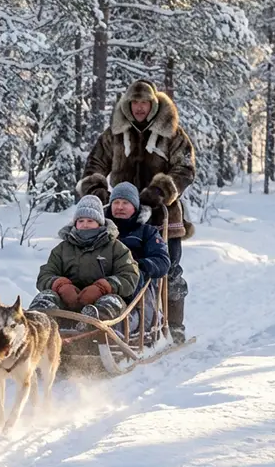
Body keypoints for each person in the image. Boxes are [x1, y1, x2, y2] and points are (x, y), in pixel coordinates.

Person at [75, 78, 196, 342]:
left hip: (162, 214)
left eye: (144, 103)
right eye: (135, 103)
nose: (139, 108)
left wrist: (158, 193)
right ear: (128, 104)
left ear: (153, 104)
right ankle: (120, 321)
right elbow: (94, 164)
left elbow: (185, 168)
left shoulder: (172, 133)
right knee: (114, 268)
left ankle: (174, 325)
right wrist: (99, 193)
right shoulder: (115, 134)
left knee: (169, 270)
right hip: (120, 215)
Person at [28, 195, 140, 329]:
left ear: (99, 223)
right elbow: (45, 274)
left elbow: (129, 276)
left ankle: (87, 334)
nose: (85, 225)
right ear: (75, 223)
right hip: (67, 302)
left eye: (90, 220)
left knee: (110, 303)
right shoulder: (62, 249)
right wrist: (60, 285)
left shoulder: (116, 248)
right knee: (44, 298)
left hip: (102, 300)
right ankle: (38, 332)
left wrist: (102, 288)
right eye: (81, 220)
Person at [105, 182, 171, 334]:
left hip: (137, 292)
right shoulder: (99, 228)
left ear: (135, 206)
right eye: (116, 202)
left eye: (125, 203)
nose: (119, 207)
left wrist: (137, 267)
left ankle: (117, 328)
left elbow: (162, 261)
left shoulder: (147, 232)